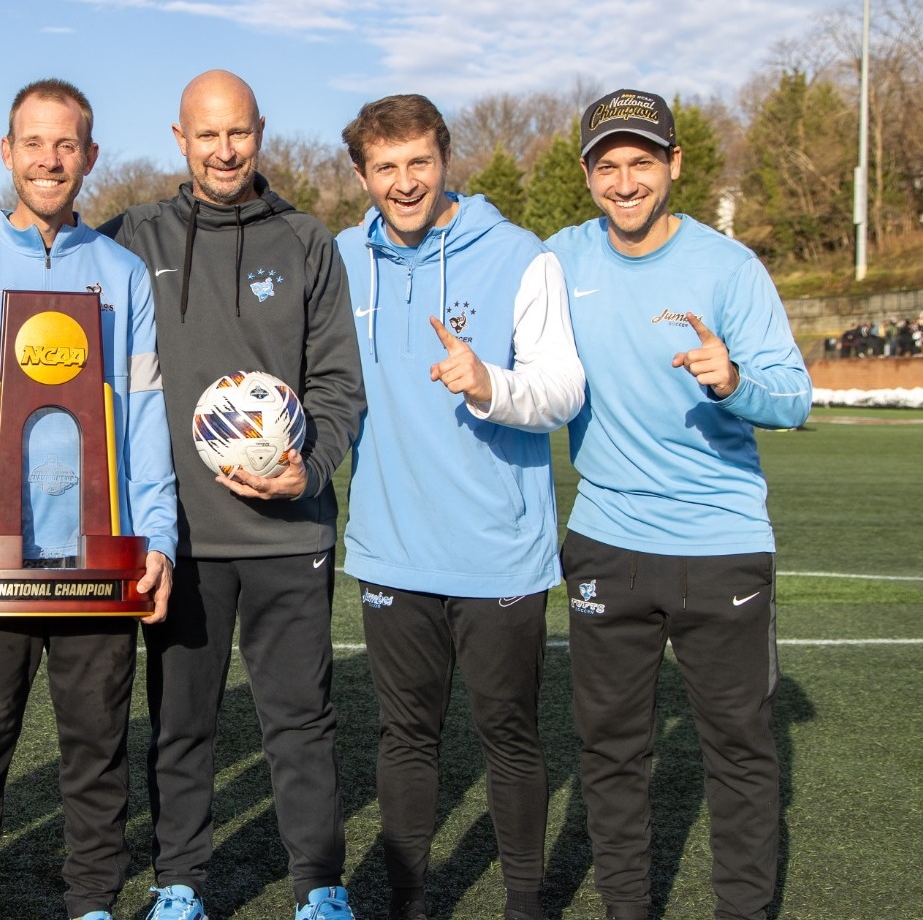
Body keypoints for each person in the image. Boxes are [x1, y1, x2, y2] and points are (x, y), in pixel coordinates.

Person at [0, 69, 364, 920]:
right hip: (184, 539)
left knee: (301, 722)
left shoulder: (306, 241)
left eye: (237, 132)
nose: (222, 149)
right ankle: (180, 884)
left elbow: (339, 389)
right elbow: (48, 254)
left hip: (289, 534)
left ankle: (319, 887)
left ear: (260, 132)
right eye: (205, 134)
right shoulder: (135, 237)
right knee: (180, 727)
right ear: (181, 139)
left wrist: (307, 469)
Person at [0, 78, 178, 920]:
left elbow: (143, 417)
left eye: (66, 145)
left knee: (96, 752)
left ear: (90, 156)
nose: (49, 160)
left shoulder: (123, 273)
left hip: (99, 558)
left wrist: (159, 536)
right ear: (7, 153)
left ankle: (93, 902)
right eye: (33, 143)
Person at [546, 89, 812, 920]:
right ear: (587, 172)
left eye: (641, 162)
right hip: (606, 543)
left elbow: (795, 398)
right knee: (610, 751)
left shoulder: (728, 267)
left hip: (719, 545)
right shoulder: (558, 261)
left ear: (674, 166)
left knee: (736, 752)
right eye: (608, 164)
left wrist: (732, 381)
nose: (625, 182)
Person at [334, 94, 584, 920]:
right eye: (385, 167)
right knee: (405, 741)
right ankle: (409, 901)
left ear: (446, 159)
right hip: (390, 548)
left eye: (419, 162)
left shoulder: (521, 256)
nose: (404, 183)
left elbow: (561, 390)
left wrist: (491, 385)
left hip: (497, 552)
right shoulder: (339, 261)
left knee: (508, 737)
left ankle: (525, 903)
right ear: (363, 174)